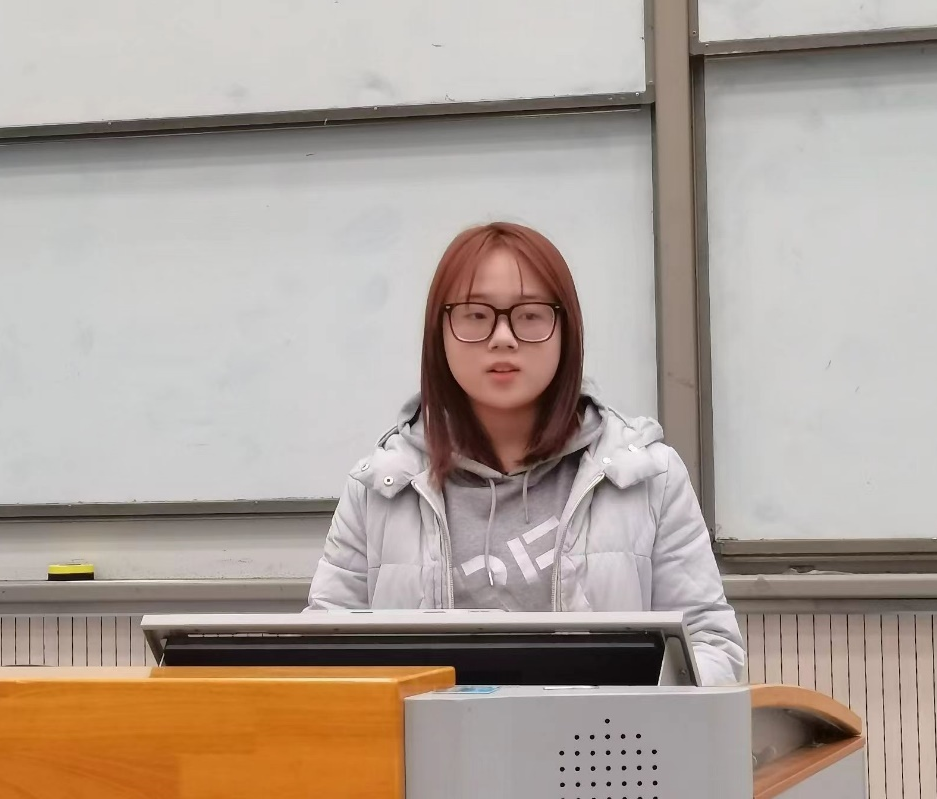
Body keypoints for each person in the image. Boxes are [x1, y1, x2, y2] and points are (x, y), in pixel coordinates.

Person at [305, 221, 745, 685]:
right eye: (476, 315)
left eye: (530, 315)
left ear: (566, 331)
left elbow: (710, 645)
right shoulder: (381, 486)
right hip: (425, 734)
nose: (503, 337)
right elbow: (324, 654)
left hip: (600, 733)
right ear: (440, 333)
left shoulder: (648, 477)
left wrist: (627, 707)